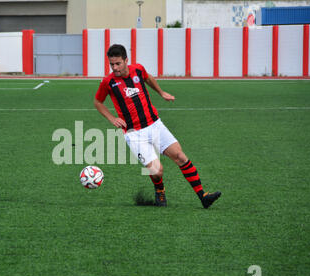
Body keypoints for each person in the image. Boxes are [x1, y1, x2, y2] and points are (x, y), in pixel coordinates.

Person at [94, 44, 221, 208]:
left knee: (180, 157)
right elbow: (98, 102)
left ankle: (203, 197)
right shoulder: (108, 82)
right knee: (157, 170)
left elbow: (148, 78)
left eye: (118, 63)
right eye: (112, 64)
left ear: (126, 60)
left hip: (155, 125)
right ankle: (159, 190)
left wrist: (161, 92)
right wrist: (112, 118)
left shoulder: (138, 70)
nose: (115, 68)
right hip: (134, 133)